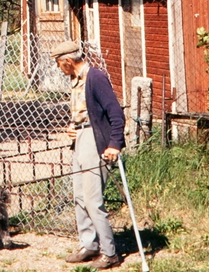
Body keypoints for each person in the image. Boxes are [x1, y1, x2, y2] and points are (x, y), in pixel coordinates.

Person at [51, 40, 125, 270]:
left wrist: (115, 143)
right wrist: (72, 127)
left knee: (93, 201)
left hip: (96, 142)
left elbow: (115, 113)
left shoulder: (95, 78)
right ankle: (89, 245)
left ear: (68, 62)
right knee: (79, 197)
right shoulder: (75, 80)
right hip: (80, 141)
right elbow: (83, 113)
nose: (58, 69)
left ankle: (109, 252)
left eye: (59, 64)